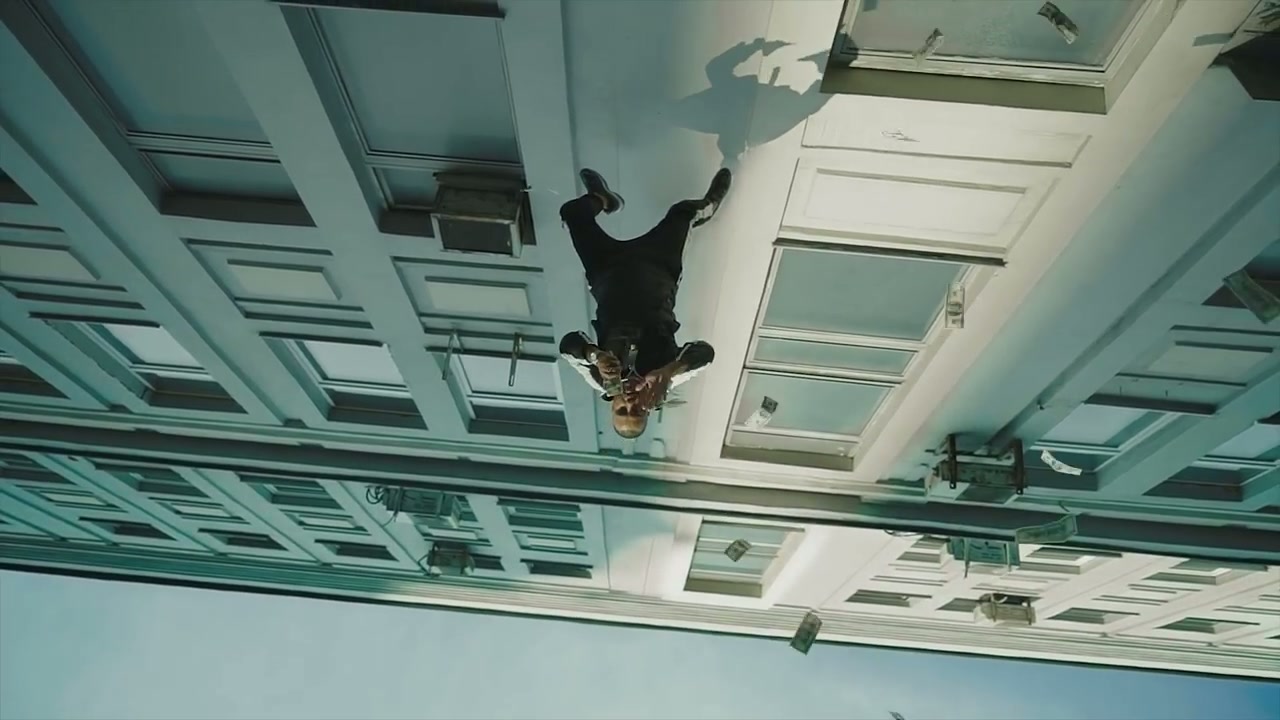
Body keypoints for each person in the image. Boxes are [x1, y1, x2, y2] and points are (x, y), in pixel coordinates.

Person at [558, 167, 731, 439]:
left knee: (572, 213)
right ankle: (711, 203)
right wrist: (668, 371)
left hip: (605, 271)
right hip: (658, 268)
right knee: (683, 212)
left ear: (612, 408)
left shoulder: (599, 379)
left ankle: (603, 199)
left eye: (622, 411)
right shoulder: (666, 380)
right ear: (648, 410)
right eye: (637, 412)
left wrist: (595, 355)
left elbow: (568, 345)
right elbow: (705, 354)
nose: (630, 404)